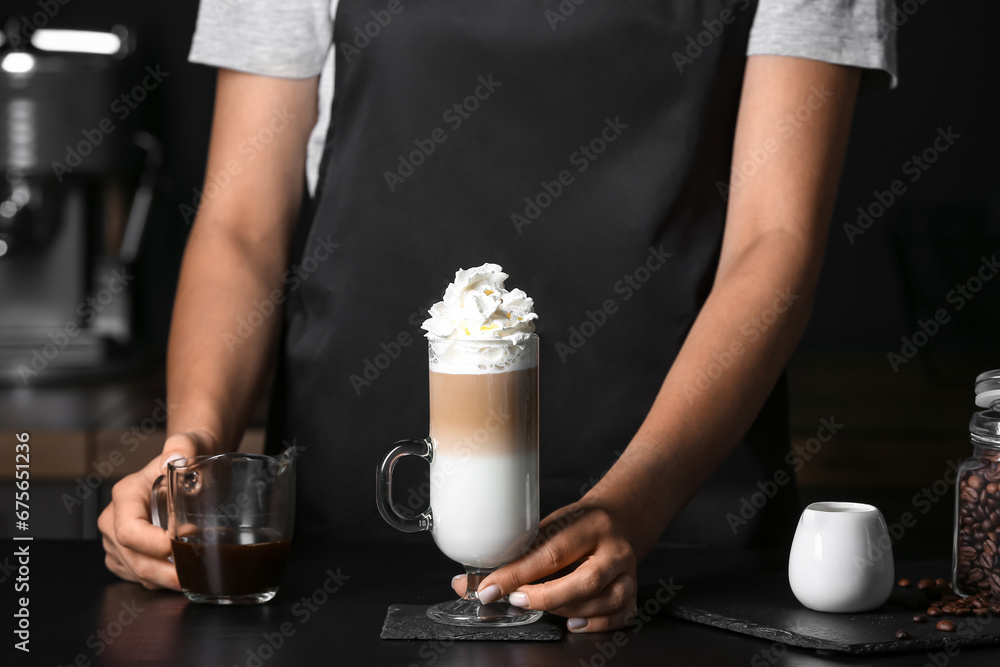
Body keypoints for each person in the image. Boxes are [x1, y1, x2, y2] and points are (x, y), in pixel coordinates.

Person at [99, 0, 896, 632]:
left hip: (677, 541)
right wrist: (191, 452)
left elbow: (774, 243)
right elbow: (241, 222)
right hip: (352, 539)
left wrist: (637, 503)